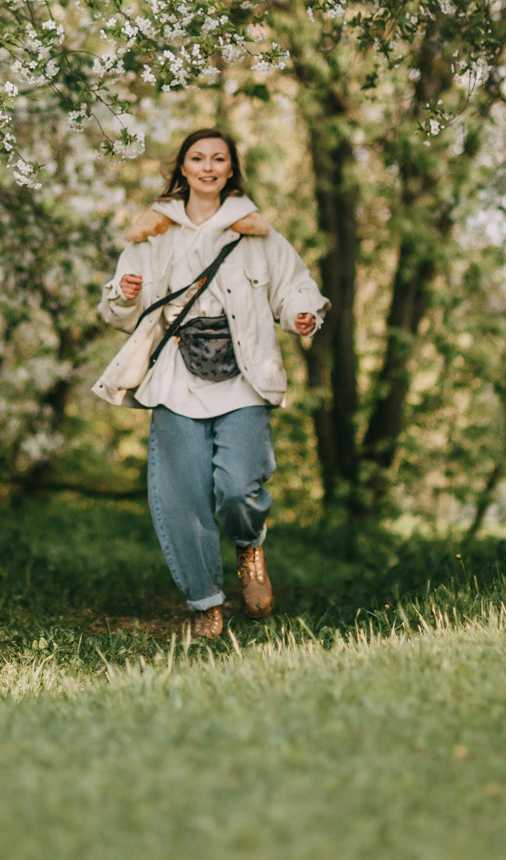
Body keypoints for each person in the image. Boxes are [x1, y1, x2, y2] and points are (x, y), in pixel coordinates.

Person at [93, 128, 328, 638]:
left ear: (230, 168)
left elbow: (294, 288)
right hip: (176, 374)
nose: (207, 166)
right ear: (182, 168)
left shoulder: (257, 233)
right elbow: (116, 310)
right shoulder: (151, 233)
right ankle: (205, 603)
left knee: (238, 485)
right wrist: (125, 292)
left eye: (218, 158)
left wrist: (302, 314)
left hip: (244, 373)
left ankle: (249, 550)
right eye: (197, 158)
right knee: (184, 496)